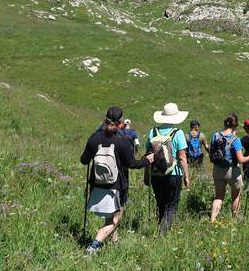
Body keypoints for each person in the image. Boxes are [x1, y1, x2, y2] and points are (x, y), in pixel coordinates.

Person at [80, 106, 154, 254]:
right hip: (116, 186)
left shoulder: (94, 138)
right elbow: (131, 164)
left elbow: (84, 160)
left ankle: (115, 241)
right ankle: (94, 245)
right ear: (121, 123)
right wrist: (147, 161)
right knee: (115, 219)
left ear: (105, 119)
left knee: (110, 217)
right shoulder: (123, 141)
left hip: (97, 184)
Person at [145, 102, 190, 234]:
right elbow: (182, 157)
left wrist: (146, 175)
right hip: (173, 174)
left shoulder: (153, 132)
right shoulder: (178, 133)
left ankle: (159, 229)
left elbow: (148, 156)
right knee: (171, 206)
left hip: (156, 174)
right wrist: (186, 176)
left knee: (160, 204)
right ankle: (162, 233)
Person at [209, 114, 249, 222]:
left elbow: (212, 151)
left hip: (217, 169)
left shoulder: (215, 136)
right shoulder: (236, 140)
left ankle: (212, 219)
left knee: (219, 196)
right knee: (236, 196)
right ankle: (235, 219)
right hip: (232, 170)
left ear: (225, 123)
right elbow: (241, 159)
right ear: (235, 125)